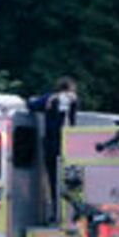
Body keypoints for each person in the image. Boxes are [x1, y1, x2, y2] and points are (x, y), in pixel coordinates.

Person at [27, 76, 78, 221]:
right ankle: (67, 212)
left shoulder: (49, 98)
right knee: (69, 181)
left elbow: (31, 105)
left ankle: (56, 212)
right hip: (69, 146)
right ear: (69, 87)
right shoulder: (73, 100)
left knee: (53, 180)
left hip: (51, 145)